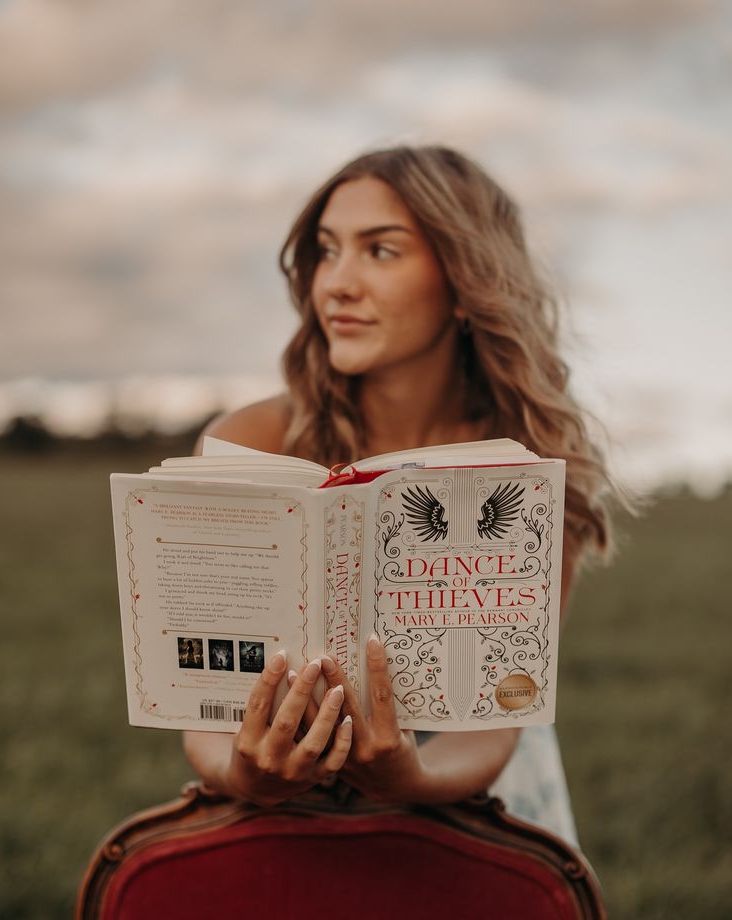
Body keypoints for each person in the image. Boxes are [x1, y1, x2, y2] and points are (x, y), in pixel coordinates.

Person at [183, 145, 612, 844]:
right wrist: (245, 770)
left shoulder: (529, 465)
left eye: (380, 251)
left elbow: (502, 720)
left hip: (478, 814)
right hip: (281, 829)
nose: (336, 285)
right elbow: (198, 714)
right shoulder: (249, 440)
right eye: (327, 251)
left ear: (466, 280)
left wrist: (406, 780)